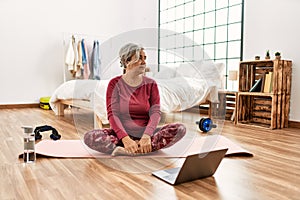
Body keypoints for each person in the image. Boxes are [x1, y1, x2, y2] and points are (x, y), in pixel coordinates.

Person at [84, 43, 186, 156]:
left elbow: (155, 113)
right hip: (120, 136)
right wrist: (125, 139)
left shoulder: (151, 84)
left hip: (146, 135)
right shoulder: (114, 84)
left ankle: (128, 149)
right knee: (89, 137)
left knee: (180, 128)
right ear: (127, 62)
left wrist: (146, 136)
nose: (144, 62)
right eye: (139, 58)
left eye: (145, 58)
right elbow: (113, 114)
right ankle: (139, 148)